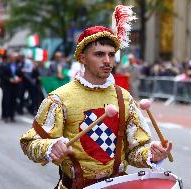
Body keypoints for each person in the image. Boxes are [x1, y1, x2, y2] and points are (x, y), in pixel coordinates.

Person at [20, 5, 172, 189]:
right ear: (82, 58)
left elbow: (134, 152)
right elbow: (30, 143)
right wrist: (51, 147)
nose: (107, 60)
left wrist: (152, 154)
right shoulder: (60, 98)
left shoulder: (124, 98)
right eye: (99, 54)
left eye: (111, 54)